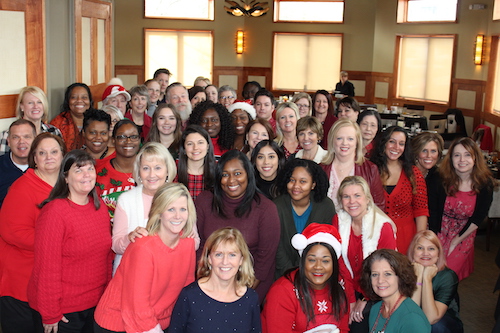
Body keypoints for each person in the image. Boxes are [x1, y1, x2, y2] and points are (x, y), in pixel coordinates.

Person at [27, 150, 112, 333]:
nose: (86, 175)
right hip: (62, 311)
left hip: (94, 306)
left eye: (90, 169)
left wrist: (106, 298)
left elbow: (105, 258)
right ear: (65, 177)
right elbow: (46, 267)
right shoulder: (54, 212)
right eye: (79, 170)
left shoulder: (99, 208)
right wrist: (50, 312)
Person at [94, 183, 196, 333]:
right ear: (159, 212)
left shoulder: (188, 243)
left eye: (183, 209)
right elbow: (138, 306)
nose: (177, 216)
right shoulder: (143, 248)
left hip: (157, 320)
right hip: (118, 322)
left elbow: (187, 289)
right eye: (171, 209)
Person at [0, 133, 65, 333]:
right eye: (42, 153)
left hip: (46, 284)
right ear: (34, 158)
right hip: (20, 284)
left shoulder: (68, 185)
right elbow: (13, 232)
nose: (49, 157)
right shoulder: (23, 187)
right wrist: (57, 244)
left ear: (63, 155)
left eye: (54, 152)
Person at [196, 150, 280, 303]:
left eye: (237, 173)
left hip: (251, 284)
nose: (231, 180)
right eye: (225, 174)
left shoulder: (266, 209)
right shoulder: (204, 201)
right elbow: (199, 248)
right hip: (209, 281)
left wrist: (239, 294)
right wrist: (208, 287)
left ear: (248, 174)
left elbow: (265, 260)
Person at [333, 176, 397, 332]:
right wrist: (351, 299)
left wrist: (364, 299)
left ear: (368, 199)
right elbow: (340, 264)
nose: (351, 201)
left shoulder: (383, 227)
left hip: (377, 288)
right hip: (347, 286)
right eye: (346, 197)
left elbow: (385, 271)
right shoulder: (338, 221)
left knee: (358, 323)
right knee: (336, 319)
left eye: (357, 196)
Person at [427, 137, 496, 280]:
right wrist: (434, 241)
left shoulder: (484, 183)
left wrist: (455, 241)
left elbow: (478, 218)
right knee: (429, 275)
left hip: (463, 236)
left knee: (445, 277)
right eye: (457, 155)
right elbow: (433, 212)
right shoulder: (440, 179)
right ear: (451, 158)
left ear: (475, 158)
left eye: (467, 155)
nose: (461, 160)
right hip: (439, 232)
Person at [169, 227, 261, 332]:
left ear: (241, 260)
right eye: (219, 254)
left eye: (232, 255)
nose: (225, 261)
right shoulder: (189, 296)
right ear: (209, 259)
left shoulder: (250, 298)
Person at [262, 223, 349, 333]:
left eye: (325, 261)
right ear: (303, 261)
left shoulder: (340, 285)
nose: (318, 267)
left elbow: (343, 329)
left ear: (334, 264)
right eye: (312, 260)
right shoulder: (283, 290)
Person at [111, 142, 179, 274]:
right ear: (139, 171)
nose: (151, 174)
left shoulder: (179, 198)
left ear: (167, 170)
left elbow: (194, 242)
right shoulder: (126, 200)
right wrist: (129, 238)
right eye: (146, 168)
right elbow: (116, 245)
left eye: (158, 168)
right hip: (131, 275)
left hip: (169, 275)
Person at [370, 126, 428, 254]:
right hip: (375, 234)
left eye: (401, 144)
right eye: (392, 141)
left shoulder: (413, 173)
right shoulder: (371, 170)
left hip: (406, 237)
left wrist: (419, 243)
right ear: (383, 143)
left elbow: (421, 212)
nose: (396, 147)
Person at [273, 158, 335, 278]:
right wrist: (291, 274)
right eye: (292, 180)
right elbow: (276, 246)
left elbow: (327, 245)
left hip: (317, 273)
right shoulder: (276, 206)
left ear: (313, 185)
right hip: (282, 274)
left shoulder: (326, 206)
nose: (296, 186)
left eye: (303, 181)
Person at [321, 119, 385, 212]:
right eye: (339, 138)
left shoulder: (371, 169)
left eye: (350, 139)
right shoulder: (320, 169)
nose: (344, 143)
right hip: (325, 225)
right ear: (332, 141)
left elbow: (378, 206)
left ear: (357, 142)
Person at [360, 249, 431, 333]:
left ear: (401, 277)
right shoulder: (376, 309)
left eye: (387, 274)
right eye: (375, 274)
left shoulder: (412, 317)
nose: (380, 280)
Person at [408, 231, 463, 333]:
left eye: (431, 249)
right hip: (413, 317)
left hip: (442, 322)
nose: (425, 253)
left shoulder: (447, 276)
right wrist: (418, 277)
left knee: (433, 326)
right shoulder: (403, 272)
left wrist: (427, 279)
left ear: (438, 253)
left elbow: (431, 318)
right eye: (420, 248)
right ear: (413, 251)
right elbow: (411, 315)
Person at [96, 119, 140, 218]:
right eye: (122, 137)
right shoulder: (98, 173)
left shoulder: (150, 171)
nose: (128, 141)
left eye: (133, 137)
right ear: (113, 140)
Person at [0, 86, 61, 156]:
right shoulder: (8, 134)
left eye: (39, 102)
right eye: (30, 103)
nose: (35, 106)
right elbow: (3, 164)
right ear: (21, 106)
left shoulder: (53, 131)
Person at [0, 119, 35, 207]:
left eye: (27, 136)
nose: (21, 142)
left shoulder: (45, 166)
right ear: (8, 141)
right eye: (15, 137)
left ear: (35, 140)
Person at [176, 125, 216, 200]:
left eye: (200, 143)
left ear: (208, 146)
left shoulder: (217, 173)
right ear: (184, 148)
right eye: (190, 144)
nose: (195, 148)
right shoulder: (173, 173)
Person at [50, 83, 93, 151]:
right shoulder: (57, 123)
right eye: (74, 97)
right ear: (68, 101)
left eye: (84, 97)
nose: (79, 100)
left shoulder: (97, 120)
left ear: (90, 101)